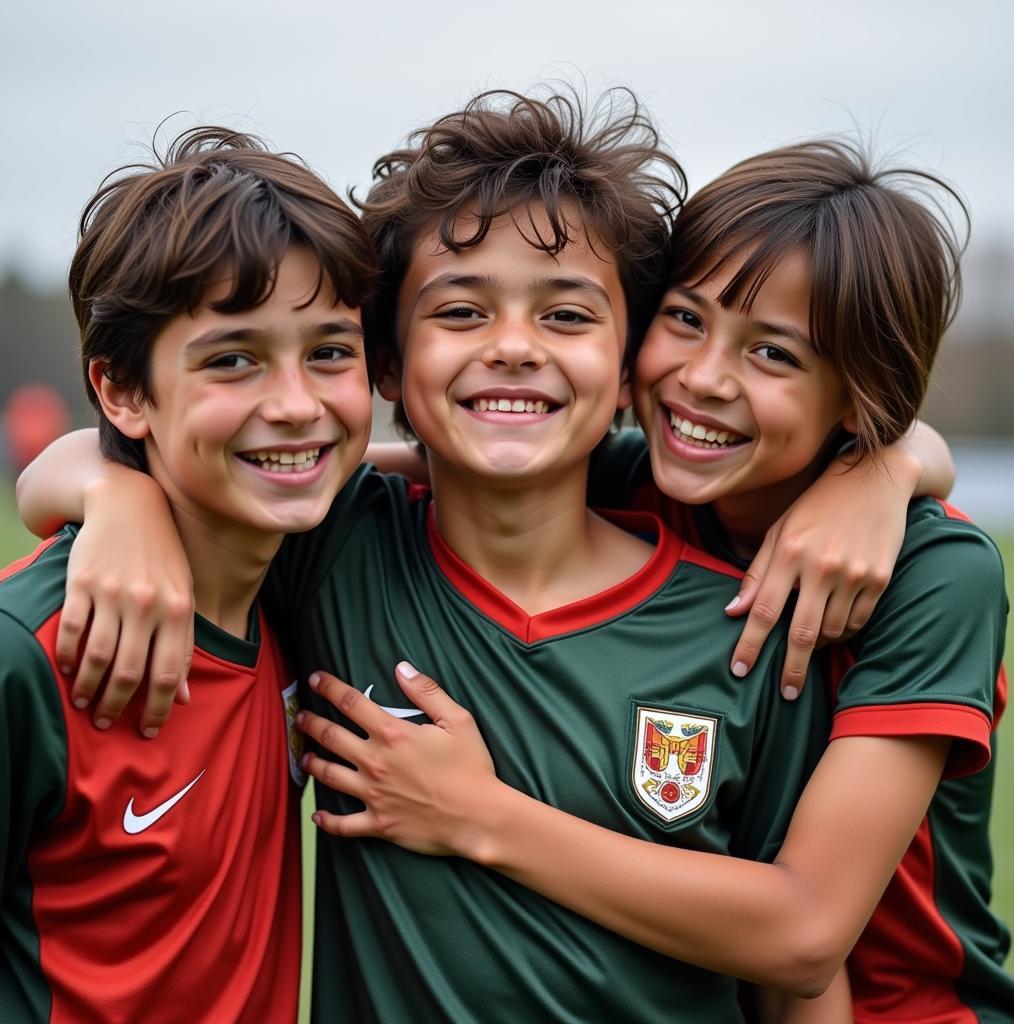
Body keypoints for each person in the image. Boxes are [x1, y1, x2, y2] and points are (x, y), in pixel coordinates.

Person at [17, 91, 955, 1022]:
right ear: (387, 364)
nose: (512, 348)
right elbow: (188, 466)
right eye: (461, 313)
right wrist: (117, 491)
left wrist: (891, 464)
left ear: (630, 363)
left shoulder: (751, 622)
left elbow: (798, 974)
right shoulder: (331, 550)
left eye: (567, 317)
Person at [299, 139, 1014, 1023]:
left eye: (777, 356)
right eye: (686, 320)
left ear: (860, 398)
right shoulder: (637, 476)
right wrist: (119, 491)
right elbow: (455, 445)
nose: (703, 377)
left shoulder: (929, 569)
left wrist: (475, 813)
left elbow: (803, 935)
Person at [0, 126, 377, 1022]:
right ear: (122, 393)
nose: (296, 406)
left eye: (329, 351)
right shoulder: (30, 655)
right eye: (233, 360)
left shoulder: (306, 572)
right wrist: (108, 489)